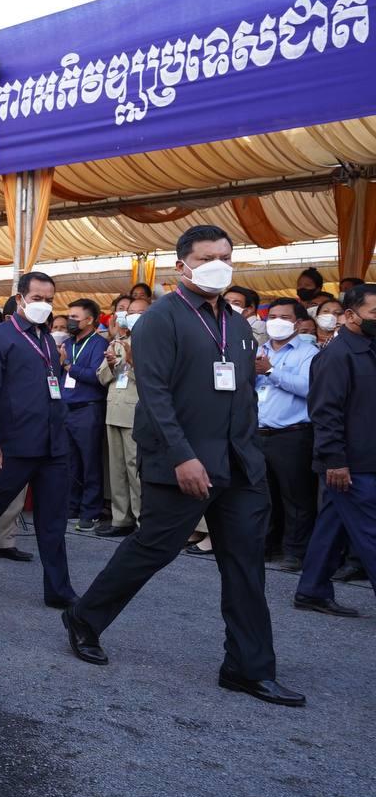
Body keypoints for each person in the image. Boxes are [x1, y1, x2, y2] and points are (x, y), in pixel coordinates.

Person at [62, 225, 305, 708]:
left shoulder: (236, 324)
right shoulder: (160, 319)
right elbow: (154, 396)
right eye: (207, 257)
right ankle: (84, 617)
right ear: (182, 266)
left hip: (239, 464)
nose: (219, 265)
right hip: (182, 461)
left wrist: (251, 456)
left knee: (245, 564)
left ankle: (247, 667)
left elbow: (242, 394)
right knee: (153, 549)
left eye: (226, 257)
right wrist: (182, 456)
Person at [0, 272, 80, 609]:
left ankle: (59, 590)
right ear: (20, 299)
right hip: (15, 443)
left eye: (49, 299)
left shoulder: (47, 339)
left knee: (53, 521)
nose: (43, 305)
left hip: (53, 444)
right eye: (37, 298)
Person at [293, 283, 376, 617]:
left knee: (333, 524)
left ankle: (311, 590)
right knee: (371, 532)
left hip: (365, 457)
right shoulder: (337, 356)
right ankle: (312, 590)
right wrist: (335, 461)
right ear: (351, 316)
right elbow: (325, 413)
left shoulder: (368, 348)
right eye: (375, 312)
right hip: (351, 463)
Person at [254, 298, 319, 572]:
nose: (276, 322)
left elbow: (309, 388)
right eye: (272, 317)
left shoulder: (309, 353)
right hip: (259, 433)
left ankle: (295, 551)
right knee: (263, 495)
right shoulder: (259, 349)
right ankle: (266, 545)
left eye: (284, 317)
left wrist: (270, 371)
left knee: (296, 497)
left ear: (298, 322)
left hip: (292, 435)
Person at [97, 295, 150, 538]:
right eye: (130, 312)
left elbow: (155, 381)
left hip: (135, 412)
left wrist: (132, 361)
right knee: (116, 469)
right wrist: (111, 364)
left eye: (140, 312)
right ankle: (121, 519)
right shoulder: (118, 342)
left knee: (135, 469)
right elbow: (102, 377)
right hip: (114, 410)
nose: (134, 316)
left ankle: (142, 520)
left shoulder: (154, 342)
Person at [61, 298, 109, 532]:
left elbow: (96, 376)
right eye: (69, 316)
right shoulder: (67, 343)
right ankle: (72, 505)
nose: (70, 321)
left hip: (88, 409)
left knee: (90, 462)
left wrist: (69, 367)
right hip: (66, 408)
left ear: (89, 320)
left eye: (75, 317)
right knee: (70, 461)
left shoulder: (99, 344)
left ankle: (90, 511)